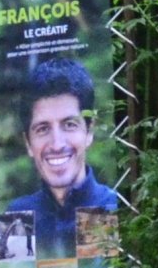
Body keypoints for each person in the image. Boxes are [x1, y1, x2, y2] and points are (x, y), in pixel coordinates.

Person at [6, 58, 120, 257]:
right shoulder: (18, 215)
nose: (57, 144)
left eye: (69, 125)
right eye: (43, 129)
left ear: (89, 131)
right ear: (28, 142)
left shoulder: (110, 203)